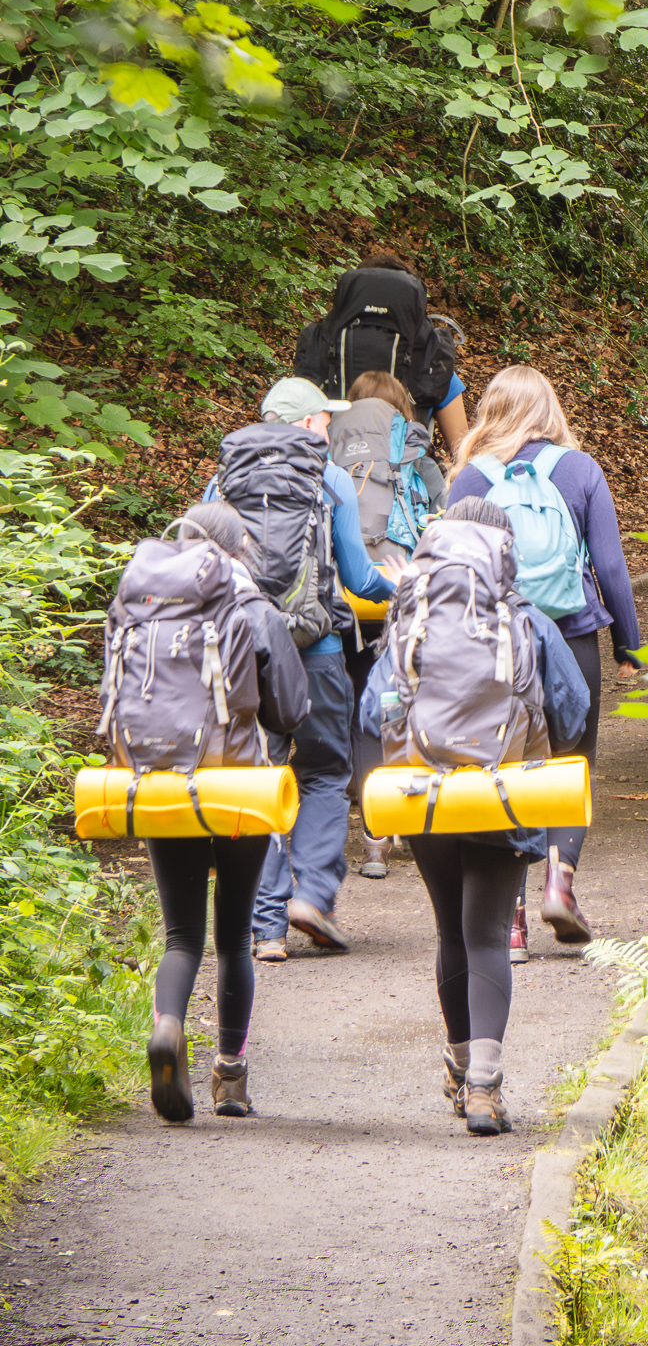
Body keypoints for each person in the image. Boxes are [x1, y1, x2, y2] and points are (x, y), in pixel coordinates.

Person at [359, 499, 590, 1134]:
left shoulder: (411, 618)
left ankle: (459, 1067)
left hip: (425, 796)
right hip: (504, 793)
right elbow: (574, 710)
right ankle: (486, 1088)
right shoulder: (527, 620)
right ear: (505, 552)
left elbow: (372, 710)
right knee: (488, 933)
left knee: (451, 933)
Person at [446, 366, 640, 951]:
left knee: (500, 764)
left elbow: (452, 572)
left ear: (489, 412)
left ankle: (510, 917)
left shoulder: (469, 478)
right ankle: (560, 881)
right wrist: (627, 643)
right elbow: (610, 565)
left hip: (495, 646)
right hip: (572, 636)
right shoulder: (579, 470)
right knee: (572, 761)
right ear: (549, 409)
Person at [208, 376, 396, 958]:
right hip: (315, 650)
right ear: (307, 423)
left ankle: (266, 926)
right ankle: (312, 895)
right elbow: (359, 578)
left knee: (257, 779)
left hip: (244, 653)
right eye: (324, 419)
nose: (329, 427)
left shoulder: (224, 479)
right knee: (325, 772)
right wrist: (404, 587)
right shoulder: (330, 478)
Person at [134, 502, 310, 1123]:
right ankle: (230, 1076)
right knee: (234, 935)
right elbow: (289, 711)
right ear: (238, 549)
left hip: (162, 784)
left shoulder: (145, 602)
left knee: (182, 935)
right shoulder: (253, 608)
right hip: (239, 787)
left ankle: (168, 1026)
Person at [333, 369, 440, 880]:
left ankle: (373, 839)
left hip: (347, 597)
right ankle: (406, 822)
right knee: (408, 703)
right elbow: (441, 522)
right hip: (403, 595)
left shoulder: (331, 456)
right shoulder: (417, 457)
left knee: (362, 706)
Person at [294, 249, 469, 458]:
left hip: (329, 469)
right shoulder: (432, 362)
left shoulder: (321, 351)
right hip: (403, 472)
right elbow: (462, 451)